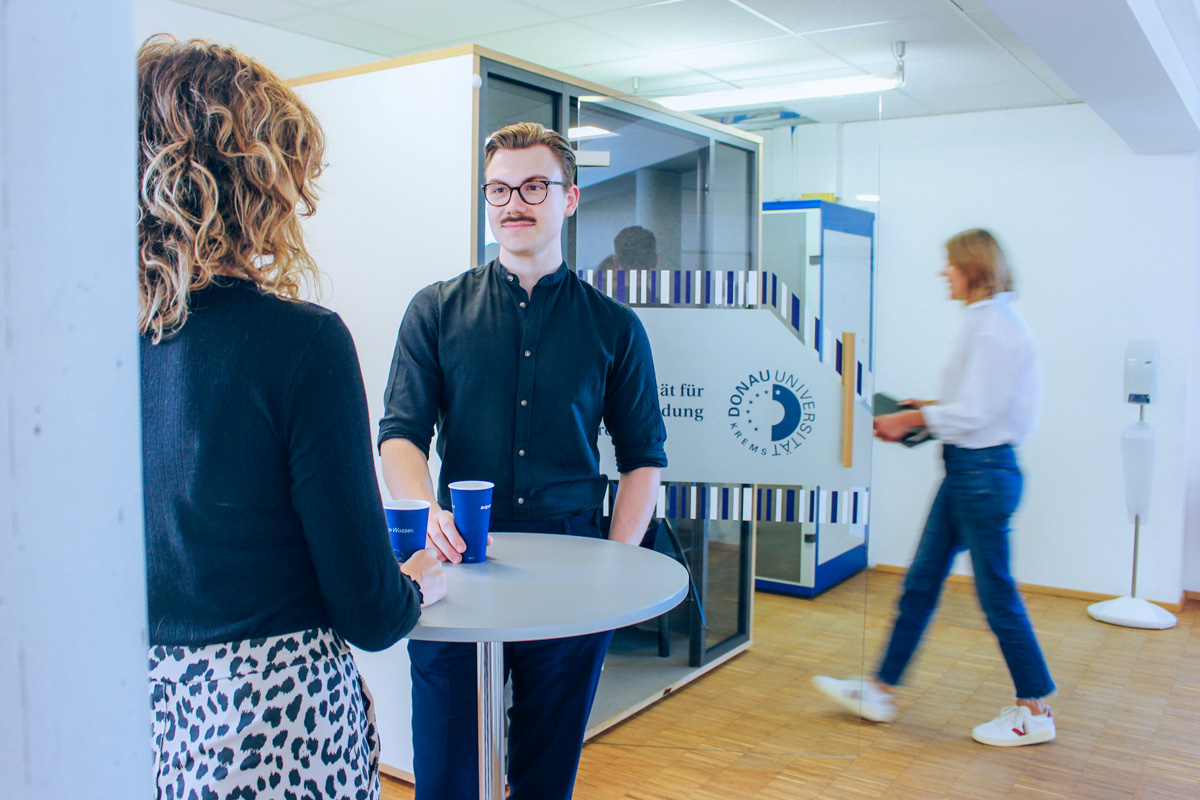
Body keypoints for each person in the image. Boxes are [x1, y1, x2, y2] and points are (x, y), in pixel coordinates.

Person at [138, 35, 445, 800]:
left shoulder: (82, 350)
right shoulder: (303, 344)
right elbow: (371, 613)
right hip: (274, 726)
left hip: (144, 722)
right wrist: (415, 581)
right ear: (258, 184)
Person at [379, 121, 667, 799]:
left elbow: (643, 460)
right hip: (456, 561)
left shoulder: (615, 326)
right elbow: (400, 434)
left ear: (570, 199)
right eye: (499, 189)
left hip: (574, 563)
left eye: (535, 186)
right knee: (446, 771)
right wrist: (425, 511)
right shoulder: (435, 310)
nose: (514, 203)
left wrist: (617, 567)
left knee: (545, 774)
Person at [813, 229, 1056, 747]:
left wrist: (910, 419)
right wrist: (924, 409)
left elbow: (976, 413)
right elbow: (977, 405)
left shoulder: (992, 328)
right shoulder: (990, 322)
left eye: (951, 263)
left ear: (974, 268)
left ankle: (1034, 711)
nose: (943, 272)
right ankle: (881, 689)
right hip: (971, 472)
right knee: (922, 582)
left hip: (981, 476)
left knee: (996, 594)